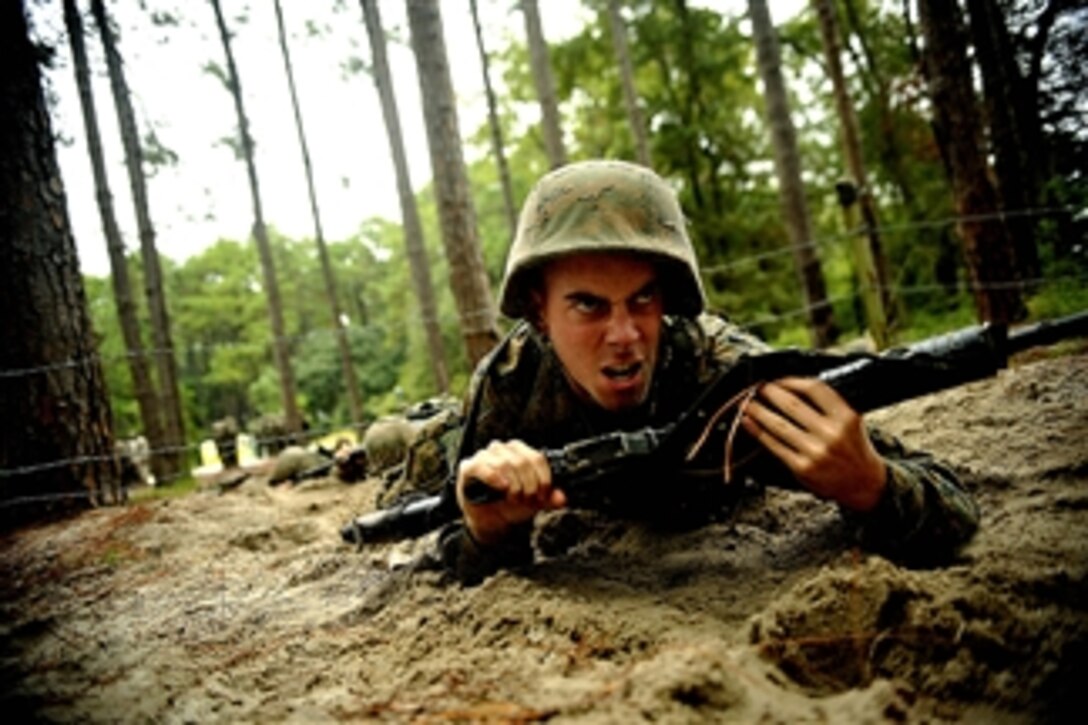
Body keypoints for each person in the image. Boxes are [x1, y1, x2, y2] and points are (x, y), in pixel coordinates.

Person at [439, 159, 978, 584]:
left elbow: (952, 504)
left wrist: (872, 487)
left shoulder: (726, 376)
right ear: (539, 313)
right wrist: (490, 534)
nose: (625, 335)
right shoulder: (511, 385)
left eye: (643, 299)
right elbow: (441, 540)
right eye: (589, 306)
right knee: (410, 442)